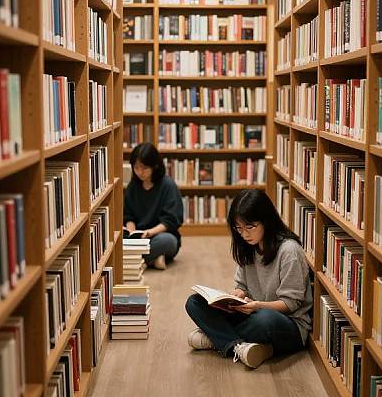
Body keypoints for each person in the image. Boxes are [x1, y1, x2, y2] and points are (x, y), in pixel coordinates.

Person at [185, 189, 312, 369]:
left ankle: (218, 339)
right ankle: (240, 346)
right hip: (251, 311)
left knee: (263, 321)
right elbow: (242, 285)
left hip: (286, 324)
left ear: (266, 220)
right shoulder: (248, 246)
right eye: (238, 228)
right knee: (194, 303)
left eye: (249, 227)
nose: (244, 234)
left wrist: (258, 305)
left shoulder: (289, 251)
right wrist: (235, 296)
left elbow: (291, 304)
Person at [124, 142, 183, 270]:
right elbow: (128, 215)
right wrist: (131, 231)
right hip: (138, 237)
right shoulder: (133, 186)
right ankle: (153, 258)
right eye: (136, 167)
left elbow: (171, 220)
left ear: (155, 166)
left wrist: (149, 233)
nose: (140, 172)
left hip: (158, 235)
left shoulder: (167, 185)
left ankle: (136, 260)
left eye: (144, 168)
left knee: (168, 241)